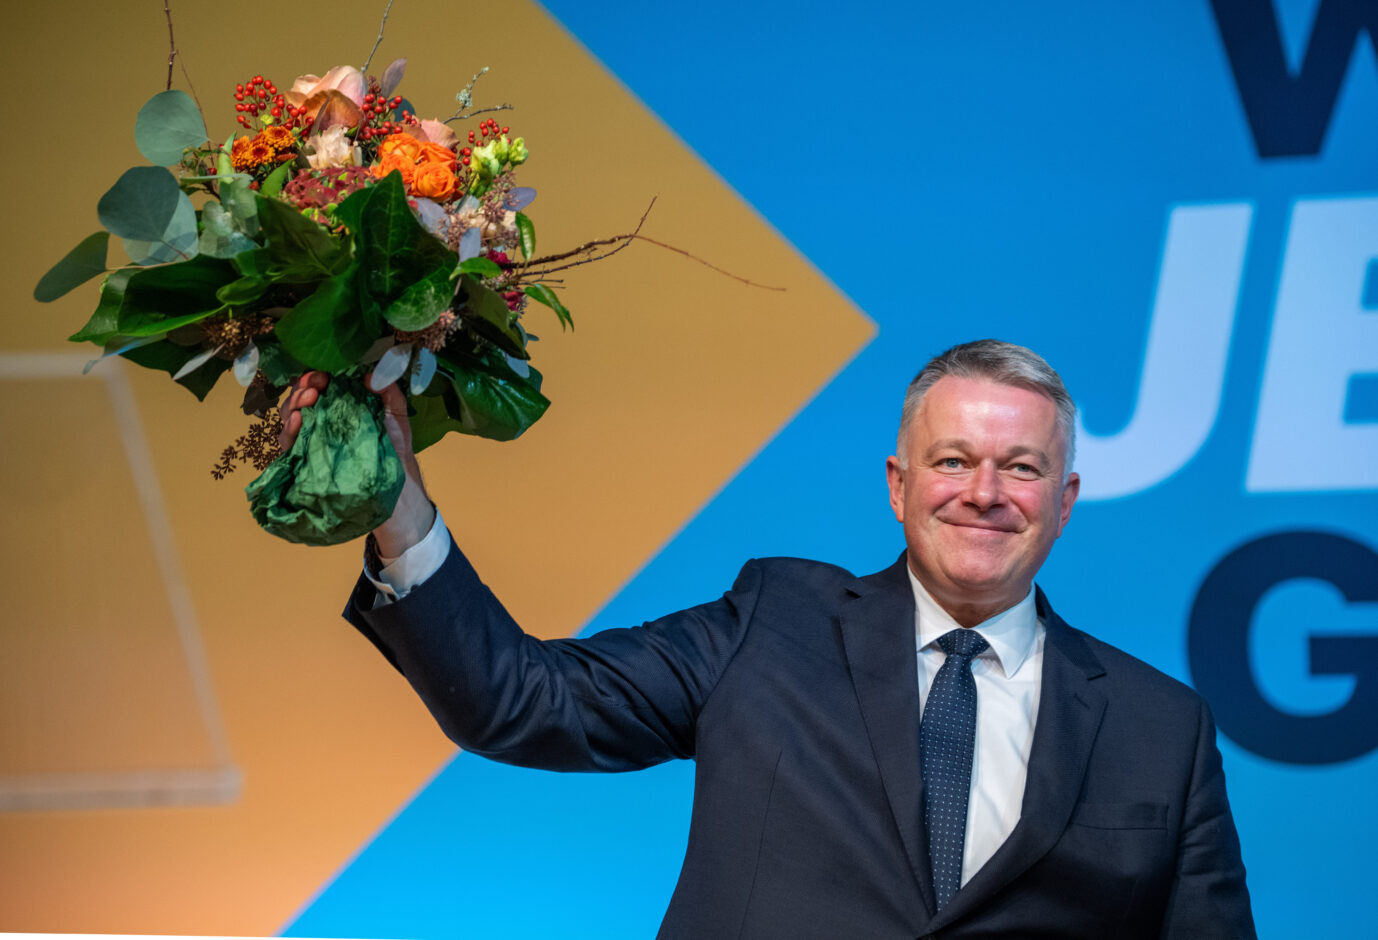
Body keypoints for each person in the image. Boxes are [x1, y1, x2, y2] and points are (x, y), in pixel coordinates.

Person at [282, 339, 1255, 938]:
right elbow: (521, 700)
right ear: (898, 484)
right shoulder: (770, 622)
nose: (983, 492)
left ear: (1065, 499)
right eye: (951, 458)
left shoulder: (1159, 728)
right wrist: (398, 507)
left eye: (1020, 465)